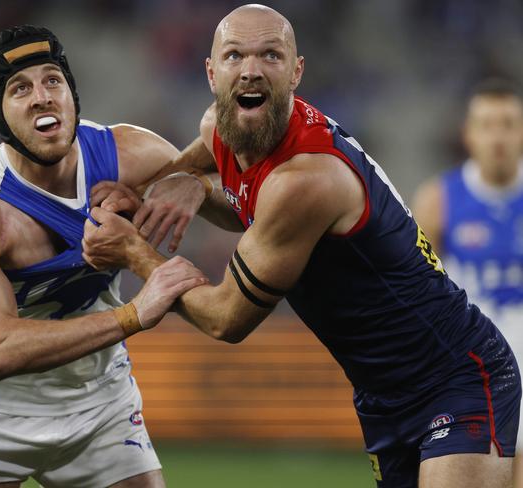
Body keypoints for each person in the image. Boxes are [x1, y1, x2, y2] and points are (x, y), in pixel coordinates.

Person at [82, 5, 522, 487]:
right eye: (234, 55)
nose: (250, 69)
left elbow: (226, 319)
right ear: (211, 73)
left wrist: (135, 254)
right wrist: (187, 184)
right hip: (380, 395)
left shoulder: (307, 179)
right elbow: (243, 200)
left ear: (296, 72)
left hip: (454, 376)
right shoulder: (220, 129)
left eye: (270, 54)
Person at [0, 25, 210, 488]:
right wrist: (134, 315)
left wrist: (197, 183)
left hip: (101, 406)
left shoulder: (128, 152)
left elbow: (236, 202)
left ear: (73, 95)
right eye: (20, 88)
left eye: (52, 80)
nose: (41, 97)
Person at [412, 79, 523, 486]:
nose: (498, 136)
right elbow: (418, 287)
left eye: (508, 124)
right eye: (487, 124)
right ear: (469, 134)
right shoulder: (439, 199)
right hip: (472, 352)